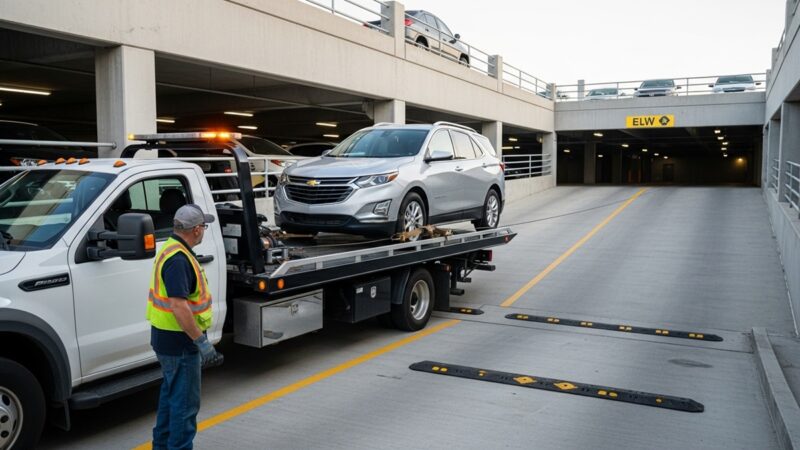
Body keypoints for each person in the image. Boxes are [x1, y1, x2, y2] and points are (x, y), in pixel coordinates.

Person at [147, 203, 223, 450]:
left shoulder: (170, 248)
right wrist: (201, 343)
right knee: (185, 408)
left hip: (166, 339)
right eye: (204, 225)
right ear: (197, 229)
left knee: (171, 401)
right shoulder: (179, 259)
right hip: (180, 343)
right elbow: (179, 306)